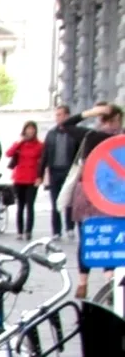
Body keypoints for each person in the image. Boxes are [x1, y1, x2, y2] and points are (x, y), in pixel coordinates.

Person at [62, 103, 124, 298]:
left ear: (101, 118)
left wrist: (89, 112)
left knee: (87, 238)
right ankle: (109, 279)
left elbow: (66, 124)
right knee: (112, 237)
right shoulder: (120, 139)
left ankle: (83, 282)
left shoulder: (90, 136)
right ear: (117, 119)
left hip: (88, 194)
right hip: (113, 196)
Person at [40, 105, 90, 243]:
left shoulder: (74, 133)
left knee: (70, 201)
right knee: (55, 202)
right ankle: (56, 231)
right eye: (57, 115)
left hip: (70, 171)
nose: (58, 117)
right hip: (55, 170)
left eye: (61, 115)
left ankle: (69, 227)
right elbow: (45, 154)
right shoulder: (51, 133)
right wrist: (40, 173)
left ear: (67, 116)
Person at [6, 121, 44, 241]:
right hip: (20, 178)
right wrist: (19, 142)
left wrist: (40, 177)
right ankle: (20, 231)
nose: (30, 131)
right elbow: (9, 153)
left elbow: (43, 162)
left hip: (32, 178)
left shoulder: (39, 145)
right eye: (28, 129)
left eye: (32, 129)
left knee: (30, 206)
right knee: (20, 206)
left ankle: (28, 231)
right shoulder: (20, 144)